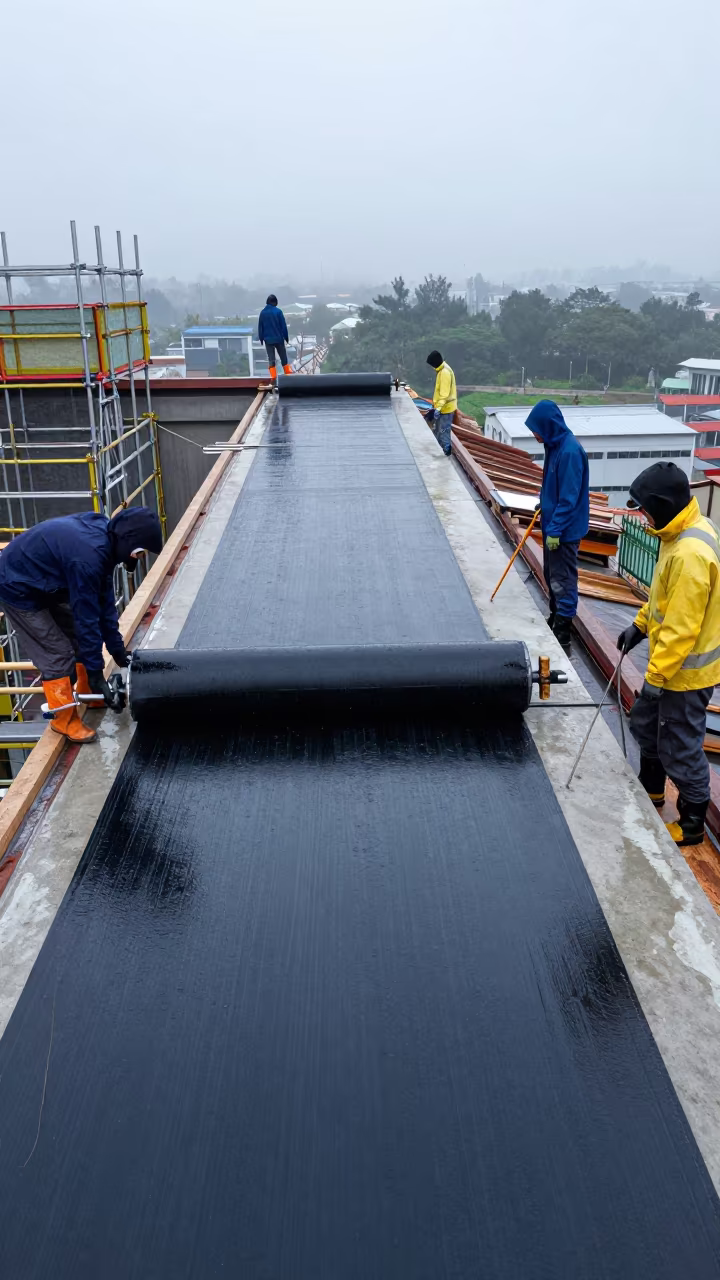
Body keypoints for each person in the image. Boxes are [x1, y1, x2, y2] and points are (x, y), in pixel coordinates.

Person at [617, 461, 720, 846]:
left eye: (645, 508)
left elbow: (680, 629)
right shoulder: (675, 536)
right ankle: (653, 789)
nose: (643, 516)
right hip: (668, 668)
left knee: (680, 745)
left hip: (684, 675)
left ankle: (692, 821)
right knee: (646, 724)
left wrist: (656, 681)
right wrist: (641, 625)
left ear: (662, 503)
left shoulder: (691, 552)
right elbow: (663, 598)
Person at [0, 507, 163, 744]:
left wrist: (117, 649)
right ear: (128, 542)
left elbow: (104, 602)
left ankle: (90, 692)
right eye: (140, 552)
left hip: (47, 580)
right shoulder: (88, 558)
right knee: (57, 653)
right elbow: (86, 617)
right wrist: (97, 672)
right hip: (17, 586)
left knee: (77, 637)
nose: (139, 557)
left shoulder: (105, 543)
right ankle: (63, 719)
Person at [525, 399, 589, 648]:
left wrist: (555, 529)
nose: (534, 434)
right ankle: (555, 617)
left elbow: (569, 498)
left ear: (548, 426)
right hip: (554, 525)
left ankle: (563, 630)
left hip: (565, 531)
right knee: (551, 575)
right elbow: (553, 489)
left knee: (564, 579)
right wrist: (545, 505)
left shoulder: (570, 452)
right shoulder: (553, 446)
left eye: (536, 429)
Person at [425, 350, 457, 456]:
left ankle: (447, 451)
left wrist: (438, 408)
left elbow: (444, 394)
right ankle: (442, 449)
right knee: (439, 431)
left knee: (444, 431)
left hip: (446, 408)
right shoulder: (442, 369)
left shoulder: (444, 373)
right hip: (443, 407)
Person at [257, 294, 292, 387]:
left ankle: (273, 379)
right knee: (283, 358)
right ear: (275, 302)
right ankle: (288, 376)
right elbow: (283, 326)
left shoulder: (262, 313)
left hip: (268, 340)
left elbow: (260, 327)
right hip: (279, 339)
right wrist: (286, 337)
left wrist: (261, 339)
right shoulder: (278, 312)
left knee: (271, 359)